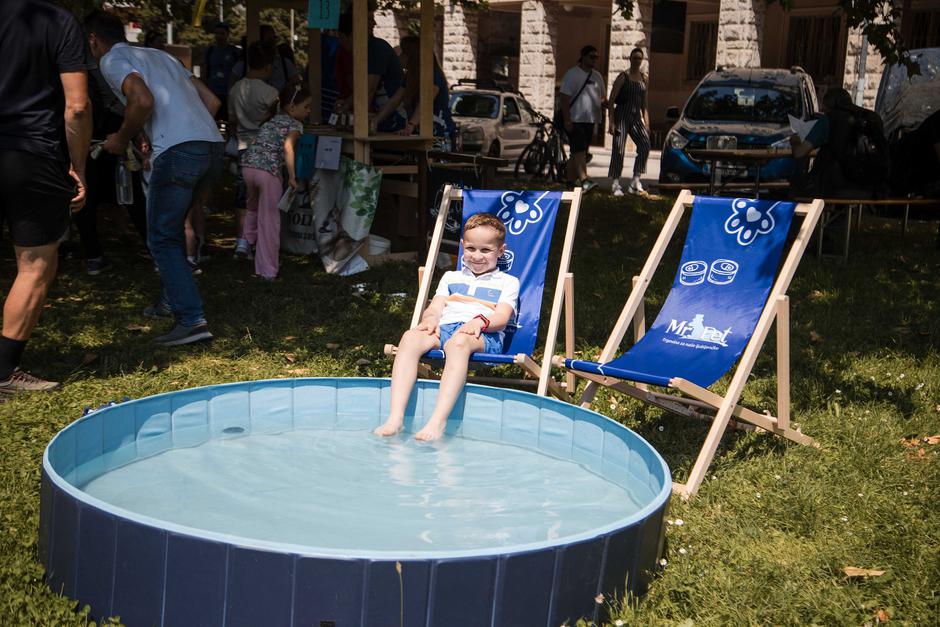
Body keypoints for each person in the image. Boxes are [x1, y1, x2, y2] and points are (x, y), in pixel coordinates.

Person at [86, 10, 224, 347]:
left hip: (178, 154)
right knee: (173, 229)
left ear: (92, 40)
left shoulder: (112, 59)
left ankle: (191, 320)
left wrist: (121, 137)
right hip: (211, 148)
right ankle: (169, 300)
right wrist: (177, 131)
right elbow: (212, 100)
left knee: (161, 237)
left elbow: (142, 100)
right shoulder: (159, 55)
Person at [0, 0, 91, 395]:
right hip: (31, 153)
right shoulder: (57, 20)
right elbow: (77, 106)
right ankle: (3, 371)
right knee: (35, 264)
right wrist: (78, 167)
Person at [375, 213, 519, 441]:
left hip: (483, 336)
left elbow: (502, 316)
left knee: (458, 343)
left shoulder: (507, 282)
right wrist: (430, 318)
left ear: (500, 251)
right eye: (471, 249)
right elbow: (436, 307)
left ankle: (437, 421)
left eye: (485, 250)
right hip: (445, 328)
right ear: (462, 246)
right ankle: (396, 417)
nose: (477, 256)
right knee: (410, 337)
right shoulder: (450, 277)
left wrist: (481, 321)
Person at [240, 84, 310, 280]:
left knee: (252, 208)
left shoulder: (270, 121)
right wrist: (293, 177)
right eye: (306, 107)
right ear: (291, 107)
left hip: (248, 168)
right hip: (268, 172)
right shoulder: (295, 125)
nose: (308, 111)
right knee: (269, 221)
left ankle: (245, 240)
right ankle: (267, 270)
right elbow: (288, 147)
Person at [229, 42, 279, 259]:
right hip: (265, 150)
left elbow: (231, 120)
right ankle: (260, 242)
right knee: (265, 199)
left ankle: (242, 241)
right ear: (268, 66)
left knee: (244, 197)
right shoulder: (270, 92)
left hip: (243, 147)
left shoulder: (235, 89)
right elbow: (276, 122)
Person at [371, 36, 455, 149]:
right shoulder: (410, 77)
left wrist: (410, 126)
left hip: (440, 134)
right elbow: (394, 101)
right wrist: (375, 121)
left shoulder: (433, 75)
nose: (400, 57)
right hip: (424, 132)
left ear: (412, 56)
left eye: (404, 53)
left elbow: (425, 102)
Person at [334, 11, 406, 132]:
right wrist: (346, 103)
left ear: (346, 35)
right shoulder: (366, 50)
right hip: (382, 117)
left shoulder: (376, 49)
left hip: (393, 120)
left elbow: (368, 90)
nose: (340, 43)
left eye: (340, 38)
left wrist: (350, 111)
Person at [559, 45, 606, 192]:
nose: (594, 60)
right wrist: (567, 120)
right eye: (592, 57)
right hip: (575, 119)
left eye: (596, 57)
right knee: (580, 150)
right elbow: (564, 98)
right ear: (583, 57)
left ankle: (570, 181)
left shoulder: (597, 76)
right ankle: (584, 180)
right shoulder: (572, 74)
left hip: (591, 120)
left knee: (578, 151)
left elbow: (603, 98)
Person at [607, 47, 651, 196]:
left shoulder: (644, 78)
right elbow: (611, 100)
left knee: (645, 144)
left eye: (640, 58)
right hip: (622, 116)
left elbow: (644, 103)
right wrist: (611, 121)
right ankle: (615, 183)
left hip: (636, 118)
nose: (637, 61)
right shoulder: (623, 77)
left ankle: (635, 180)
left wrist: (646, 121)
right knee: (618, 149)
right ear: (630, 59)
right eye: (635, 58)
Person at [231, 25, 301, 92]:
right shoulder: (243, 65)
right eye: (270, 40)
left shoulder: (285, 64)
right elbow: (231, 89)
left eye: (275, 39)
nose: (274, 43)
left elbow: (298, 86)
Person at [204, 23, 240, 122]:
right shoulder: (210, 50)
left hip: (228, 93)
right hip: (213, 91)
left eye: (221, 33)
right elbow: (205, 69)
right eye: (216, 33)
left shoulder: (234, 52)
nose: (218, 36)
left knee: (229, 120)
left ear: (227, 34)